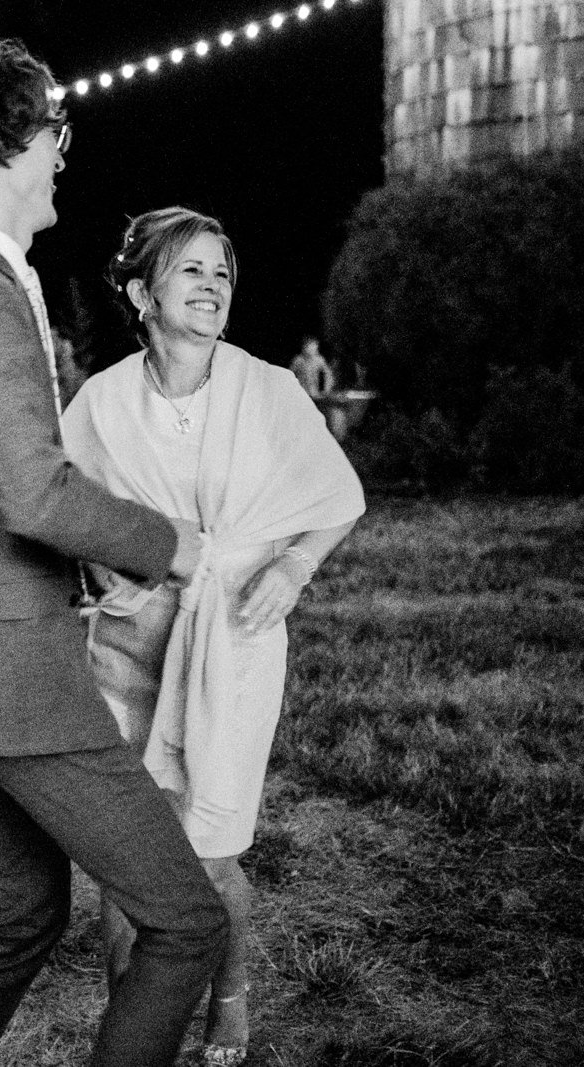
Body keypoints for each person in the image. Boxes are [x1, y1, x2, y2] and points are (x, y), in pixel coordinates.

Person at [0, 39, 227, 1067]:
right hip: (14, 669)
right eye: (51, 130)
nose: (63, 150)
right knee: (184, 921)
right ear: (5, 144)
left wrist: (87, 563)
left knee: (21, 914)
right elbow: (29, 490)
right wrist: (171, 546)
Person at [62, 207, 366, 1066]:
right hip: (129, 650)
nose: (211, 284)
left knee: (213, 849)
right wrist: (104, 569)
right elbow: (68, 512)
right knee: (130, 855)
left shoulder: (267, 390)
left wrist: (293, 568)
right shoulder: (100, 402)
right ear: (139, 292)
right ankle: (135, 1020)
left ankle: (227, 1002)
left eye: (222, 272)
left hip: (233, 644)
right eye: (190, 269)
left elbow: (336, 495)